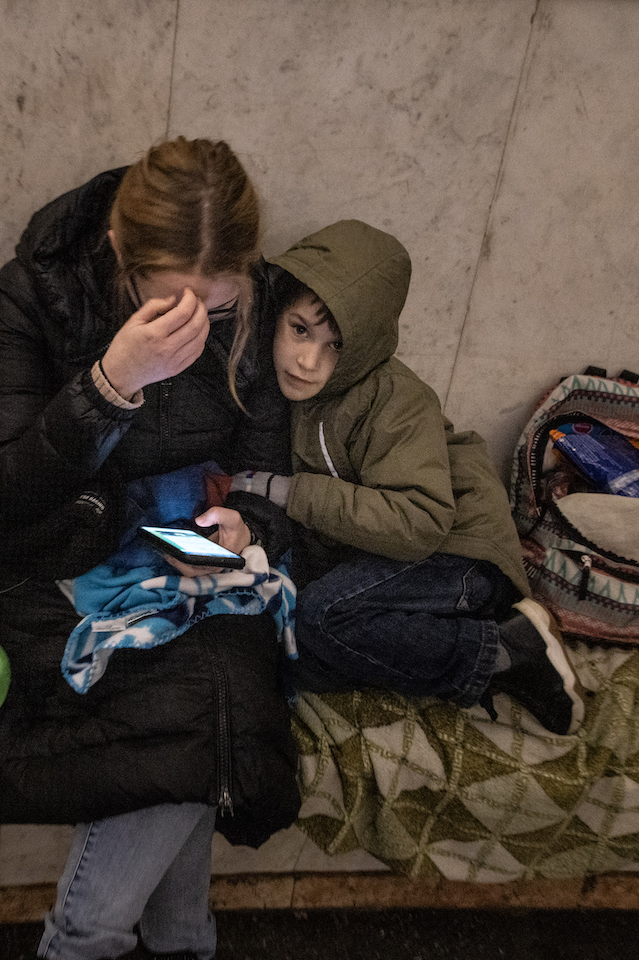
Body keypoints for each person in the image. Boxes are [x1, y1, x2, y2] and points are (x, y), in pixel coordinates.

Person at [0, 137, 298, 960]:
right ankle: (101, 940)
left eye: (213, 310)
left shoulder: (259, 304)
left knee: (203, 721)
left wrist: (249, 523)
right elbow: (0, 503)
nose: (195, 324)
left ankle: (169, 941)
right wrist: (110, 384)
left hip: (199, 574)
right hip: (58, 567)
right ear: (118, 253)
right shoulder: (33, 293)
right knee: (184, 738)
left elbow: (268, 471)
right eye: (169, 305)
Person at [234, 218, 585, 736]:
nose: (307, 360)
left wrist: (287, 493)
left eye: (336, 345)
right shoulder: (288, 390)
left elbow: (421, 520)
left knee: (323, 617)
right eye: (300, 329)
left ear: (364, 348)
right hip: (390, 554)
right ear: (277, 316)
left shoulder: (396, 399)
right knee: (295, 657)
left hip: (461, 551)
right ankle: (473, 636)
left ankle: (506, 651)